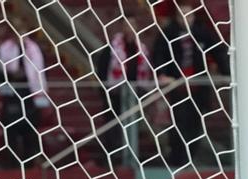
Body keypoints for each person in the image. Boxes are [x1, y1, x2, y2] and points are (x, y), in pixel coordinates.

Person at [152, 3, 229, 167]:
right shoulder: (168, 33)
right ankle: (177, 159)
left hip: (198, 88)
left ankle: (189, 158)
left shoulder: (202, 32)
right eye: (181, 16)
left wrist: (227, 73)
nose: (185, 19)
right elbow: (159, 54)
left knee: (196, 124)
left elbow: (218, 51)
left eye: (188, 16)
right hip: (177, 88)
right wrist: (162, 74)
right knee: (178, 123)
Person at [96, 14, 152, 166]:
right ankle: (113, 157)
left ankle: (132, 156)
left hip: (135, 93)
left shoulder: (142, 48)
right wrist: (106, 90)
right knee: (113, 126)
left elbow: (147, 70)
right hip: (115, 93)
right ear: (122, 27)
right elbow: (102, 70)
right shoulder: (111, 47)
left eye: (132, 25)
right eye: (126, 25)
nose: (129, 28)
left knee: (133, 125)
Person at [0, 18, 46, 168]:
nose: (19, 33)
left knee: (29, 133)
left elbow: (41, 73)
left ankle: (29, 164)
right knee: (11, 133)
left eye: (21, 29)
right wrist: (10, 76)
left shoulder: (34, 50)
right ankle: (12, 166)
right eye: (16, 30)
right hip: (10, 96)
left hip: (29, 96)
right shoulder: (3, 50)